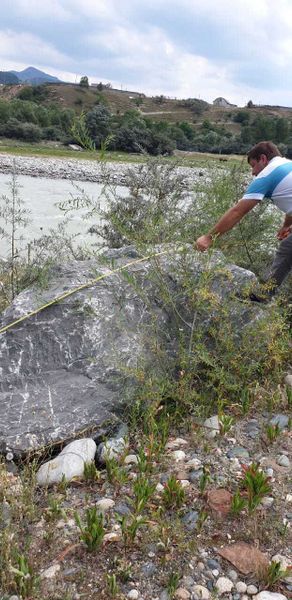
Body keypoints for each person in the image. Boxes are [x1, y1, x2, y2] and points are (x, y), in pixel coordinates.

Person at [195, 141, 292, 302]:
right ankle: (264, 295)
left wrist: (208, 238)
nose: (253, 173)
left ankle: (264, 295)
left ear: (263, 159)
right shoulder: (287, 164)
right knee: (288, 248)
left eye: (253, 166)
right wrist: (287, 225)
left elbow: (238, 211)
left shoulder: (267, 174)